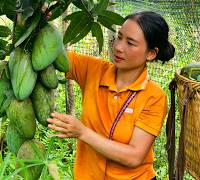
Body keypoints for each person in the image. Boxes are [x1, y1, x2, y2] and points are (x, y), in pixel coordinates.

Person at [47, 11, 175, 180]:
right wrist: (39, 22)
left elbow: (134, 156)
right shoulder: (93, 70)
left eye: (130, 43)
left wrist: (82, 132)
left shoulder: (153, 96)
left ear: (151, 53)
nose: (119, 47)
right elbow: (53, 54)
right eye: (119, 37)